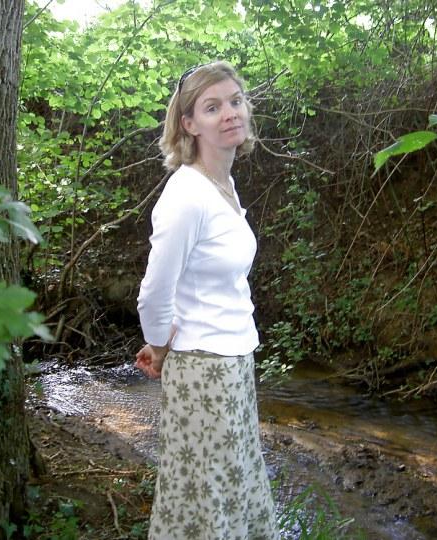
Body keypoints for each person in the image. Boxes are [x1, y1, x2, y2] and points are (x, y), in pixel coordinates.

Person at [135, 61, 279, 540]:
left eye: (235, 101)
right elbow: (155, 291)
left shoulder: (223, 186)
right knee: (207, 501)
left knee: (228, 491)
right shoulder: (187, 194)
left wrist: (163, 344)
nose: (230, 113)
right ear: (190, 124)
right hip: (204, 374)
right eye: (212, 107)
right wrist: (160, 345)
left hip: (230, 362)